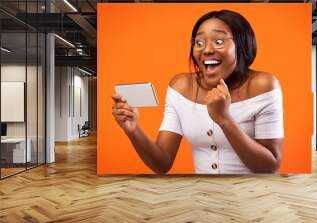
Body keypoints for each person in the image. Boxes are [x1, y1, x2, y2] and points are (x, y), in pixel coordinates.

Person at [111, 9, 284, 174]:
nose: (206, 50)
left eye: (219, 41)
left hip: (252, 196)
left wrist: (224, 119)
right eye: (199, 43)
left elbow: (270, 167)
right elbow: (162, 164)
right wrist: (133, 131)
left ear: (241, 44)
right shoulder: (181, 86)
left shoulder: (263, 84)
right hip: (201, 195)